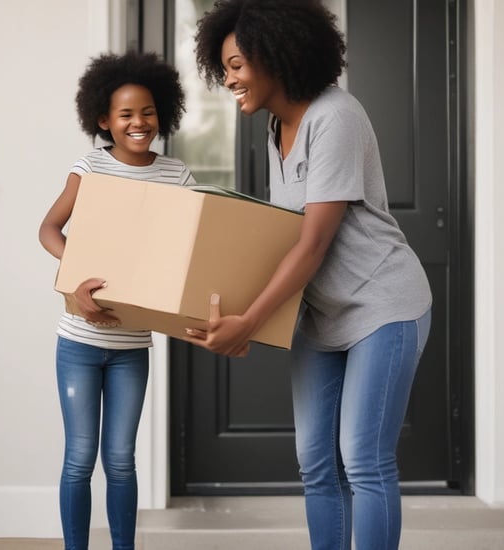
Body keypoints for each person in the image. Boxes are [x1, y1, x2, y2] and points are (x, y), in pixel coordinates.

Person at [186, 1, 432, 549]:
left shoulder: (334, 116)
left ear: (277, 55)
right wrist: (240, 313)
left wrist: (248, 322)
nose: (229, 80)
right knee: (316, 463)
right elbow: (278, 238)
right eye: (223, 67)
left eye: (237, 65)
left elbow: (313, 243)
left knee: (363, 460)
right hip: (321, 318)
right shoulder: (278, 128)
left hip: (382, 306)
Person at [39, 51, 194, 550]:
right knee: (80, 458)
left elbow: (192, 247)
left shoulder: (176, 176)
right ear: (103, 120)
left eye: (147, 112)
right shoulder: (91, 167)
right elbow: (48, 229)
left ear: (162, 114)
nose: (138, 122)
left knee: (122, 461)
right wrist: (76, 280)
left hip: (132, 347)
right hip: (79, 343)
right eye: (126, 114)